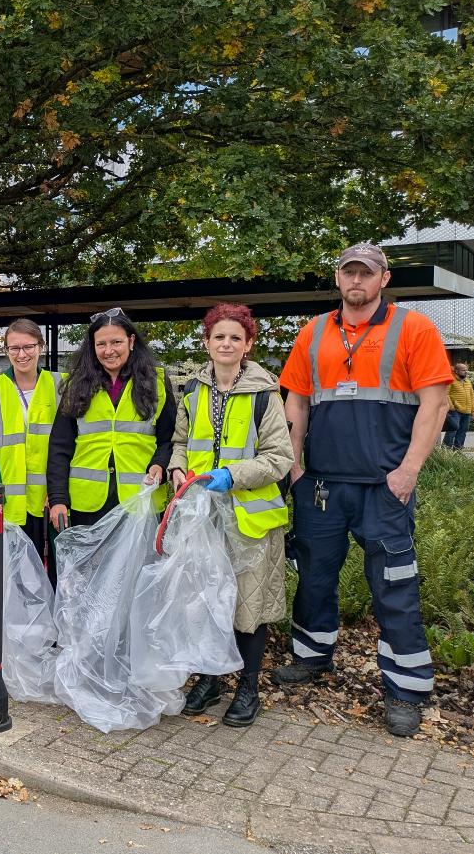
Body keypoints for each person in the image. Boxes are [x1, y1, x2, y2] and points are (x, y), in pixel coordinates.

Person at [276, 242, 451, 737]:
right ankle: (311, 658)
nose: (357, 281)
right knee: (313, 578)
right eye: (349, 273)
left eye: (366, 274)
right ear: (338, 278)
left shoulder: (413, 329)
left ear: (383, 279)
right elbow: (297, 407)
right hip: (323, 487)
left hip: (384, 487)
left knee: (395, 586)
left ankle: (406, 689)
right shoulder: (312, 333)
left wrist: (409, 470)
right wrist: (295, 470)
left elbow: (433, 405)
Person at [169, 304, 294, 727]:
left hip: (250, 519)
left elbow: (280, 457)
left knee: (248, 606)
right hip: (203, 517)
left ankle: (248, 687)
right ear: (206, 343)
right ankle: (211, 678)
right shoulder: (192, 390)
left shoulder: (265, 393)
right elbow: (180, 441)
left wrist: (232, 475)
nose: (226, 344)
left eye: (235, 338)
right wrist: (177, 468)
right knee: (207, 602)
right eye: (218, 337)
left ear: (248, 344)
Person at [47, 308, 175, 532]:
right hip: (87, 505)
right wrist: (58, 498)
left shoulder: (157, 382)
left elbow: (170, 439)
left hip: (141, 501)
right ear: (92, 346)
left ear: (131, 341)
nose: (109, 351)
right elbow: (59, 446)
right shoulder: (76, 386)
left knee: (139, 568)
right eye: (101, 344)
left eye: (116, 342)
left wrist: (160, 464)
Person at [0, 319, 64, 579]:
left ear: (42, 346)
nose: (22, 354)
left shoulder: (61, 385)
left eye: (28, 346)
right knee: (16, 575)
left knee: (56, 574)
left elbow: (70, 443)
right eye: (14, 348)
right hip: (10, 500)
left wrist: (60, 492)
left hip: (50, 500)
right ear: (5, 350)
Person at [445, 362, 474, 449]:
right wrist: (451, 407)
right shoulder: (451, 380)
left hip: (467, 411)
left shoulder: (468, 381)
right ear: (456, 371)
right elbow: (445, 394)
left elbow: (471, 396)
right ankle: (446, 450)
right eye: (463, 370)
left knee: (462, 431)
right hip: (455, 411)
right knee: (452, 430)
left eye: (466, 370)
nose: (466, 372)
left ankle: (458, 450)